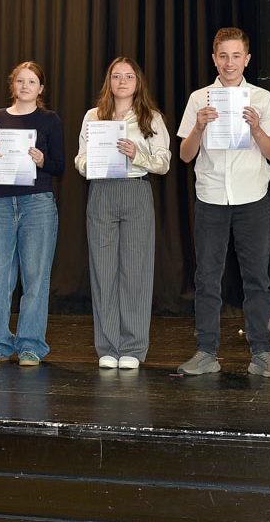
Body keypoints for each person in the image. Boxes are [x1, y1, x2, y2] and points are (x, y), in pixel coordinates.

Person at [176, 27, 270, 378]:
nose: (229, 62)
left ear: (247, 59)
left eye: (236, 55)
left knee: (257, 278)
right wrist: (197, 127)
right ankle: (206, 352)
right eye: (223, 55)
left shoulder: (262, 99)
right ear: (214, 58)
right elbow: (184, 155)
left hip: (251, 197)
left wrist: (256, 129)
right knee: (207, 278)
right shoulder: (199, 99)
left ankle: (262, 353)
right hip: (210, 197)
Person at [75, 57, 171, 369]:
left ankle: (132, 347)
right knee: (103, 271)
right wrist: (93, 164)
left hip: (136, 191)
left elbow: (164, 162)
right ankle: (107, 346)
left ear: (137, 81)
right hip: (102, 190)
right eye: (116, 76)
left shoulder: (150, 117)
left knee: (136, 271)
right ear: (109, 81)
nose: (122, 81)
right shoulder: (94, 116)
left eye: (128, 76)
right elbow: (80, 158)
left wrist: (137, 153)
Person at [0, 61, 64, 366]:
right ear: (12, 85)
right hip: (1, 203)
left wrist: (42, 161)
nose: (25, 86)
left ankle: (30, 344)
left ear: (40, 89)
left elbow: (59, 166)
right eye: (20, 81)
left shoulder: (50, 120)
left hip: (37, 203)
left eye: (31, 82)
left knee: (36, 277)